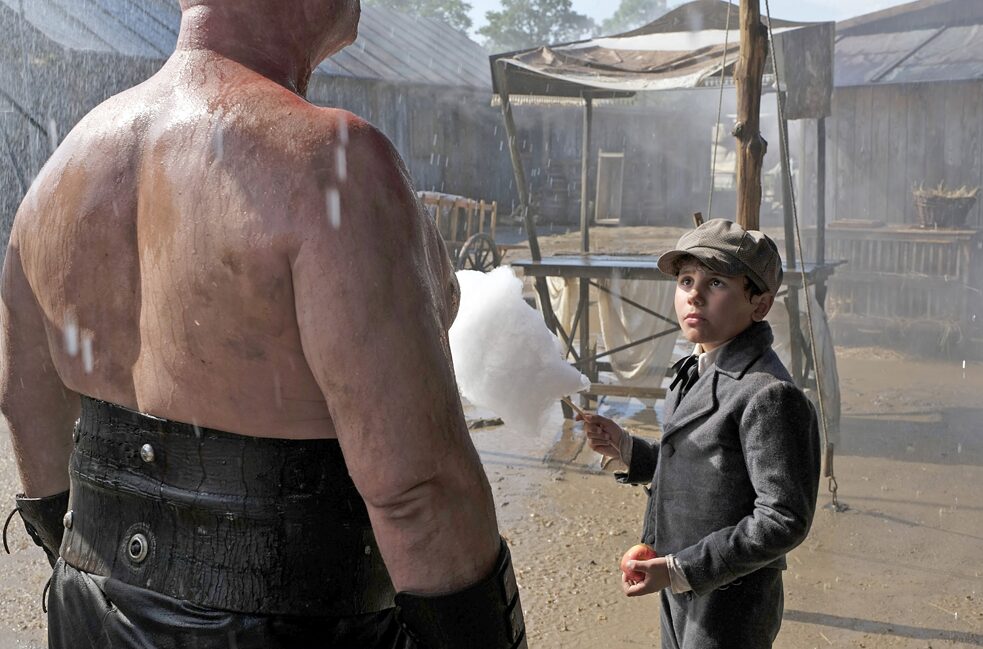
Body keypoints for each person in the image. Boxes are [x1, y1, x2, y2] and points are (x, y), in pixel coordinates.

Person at [0, 1, 525, 647]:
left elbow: (23, 405)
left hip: (88, 609)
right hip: (288, 628)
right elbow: (419, 489)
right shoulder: (328, 161)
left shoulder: (60, 171)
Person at [582, 219, 821, 648]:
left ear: (760, 304)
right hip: (678, 585)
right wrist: (628, 450)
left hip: (731, 601)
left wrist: (682, 569)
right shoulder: (692, 371)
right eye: (686, 280)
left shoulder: (769, 394)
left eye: (716, 282)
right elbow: (701, 465)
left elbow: (783, 519)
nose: (694, 294)